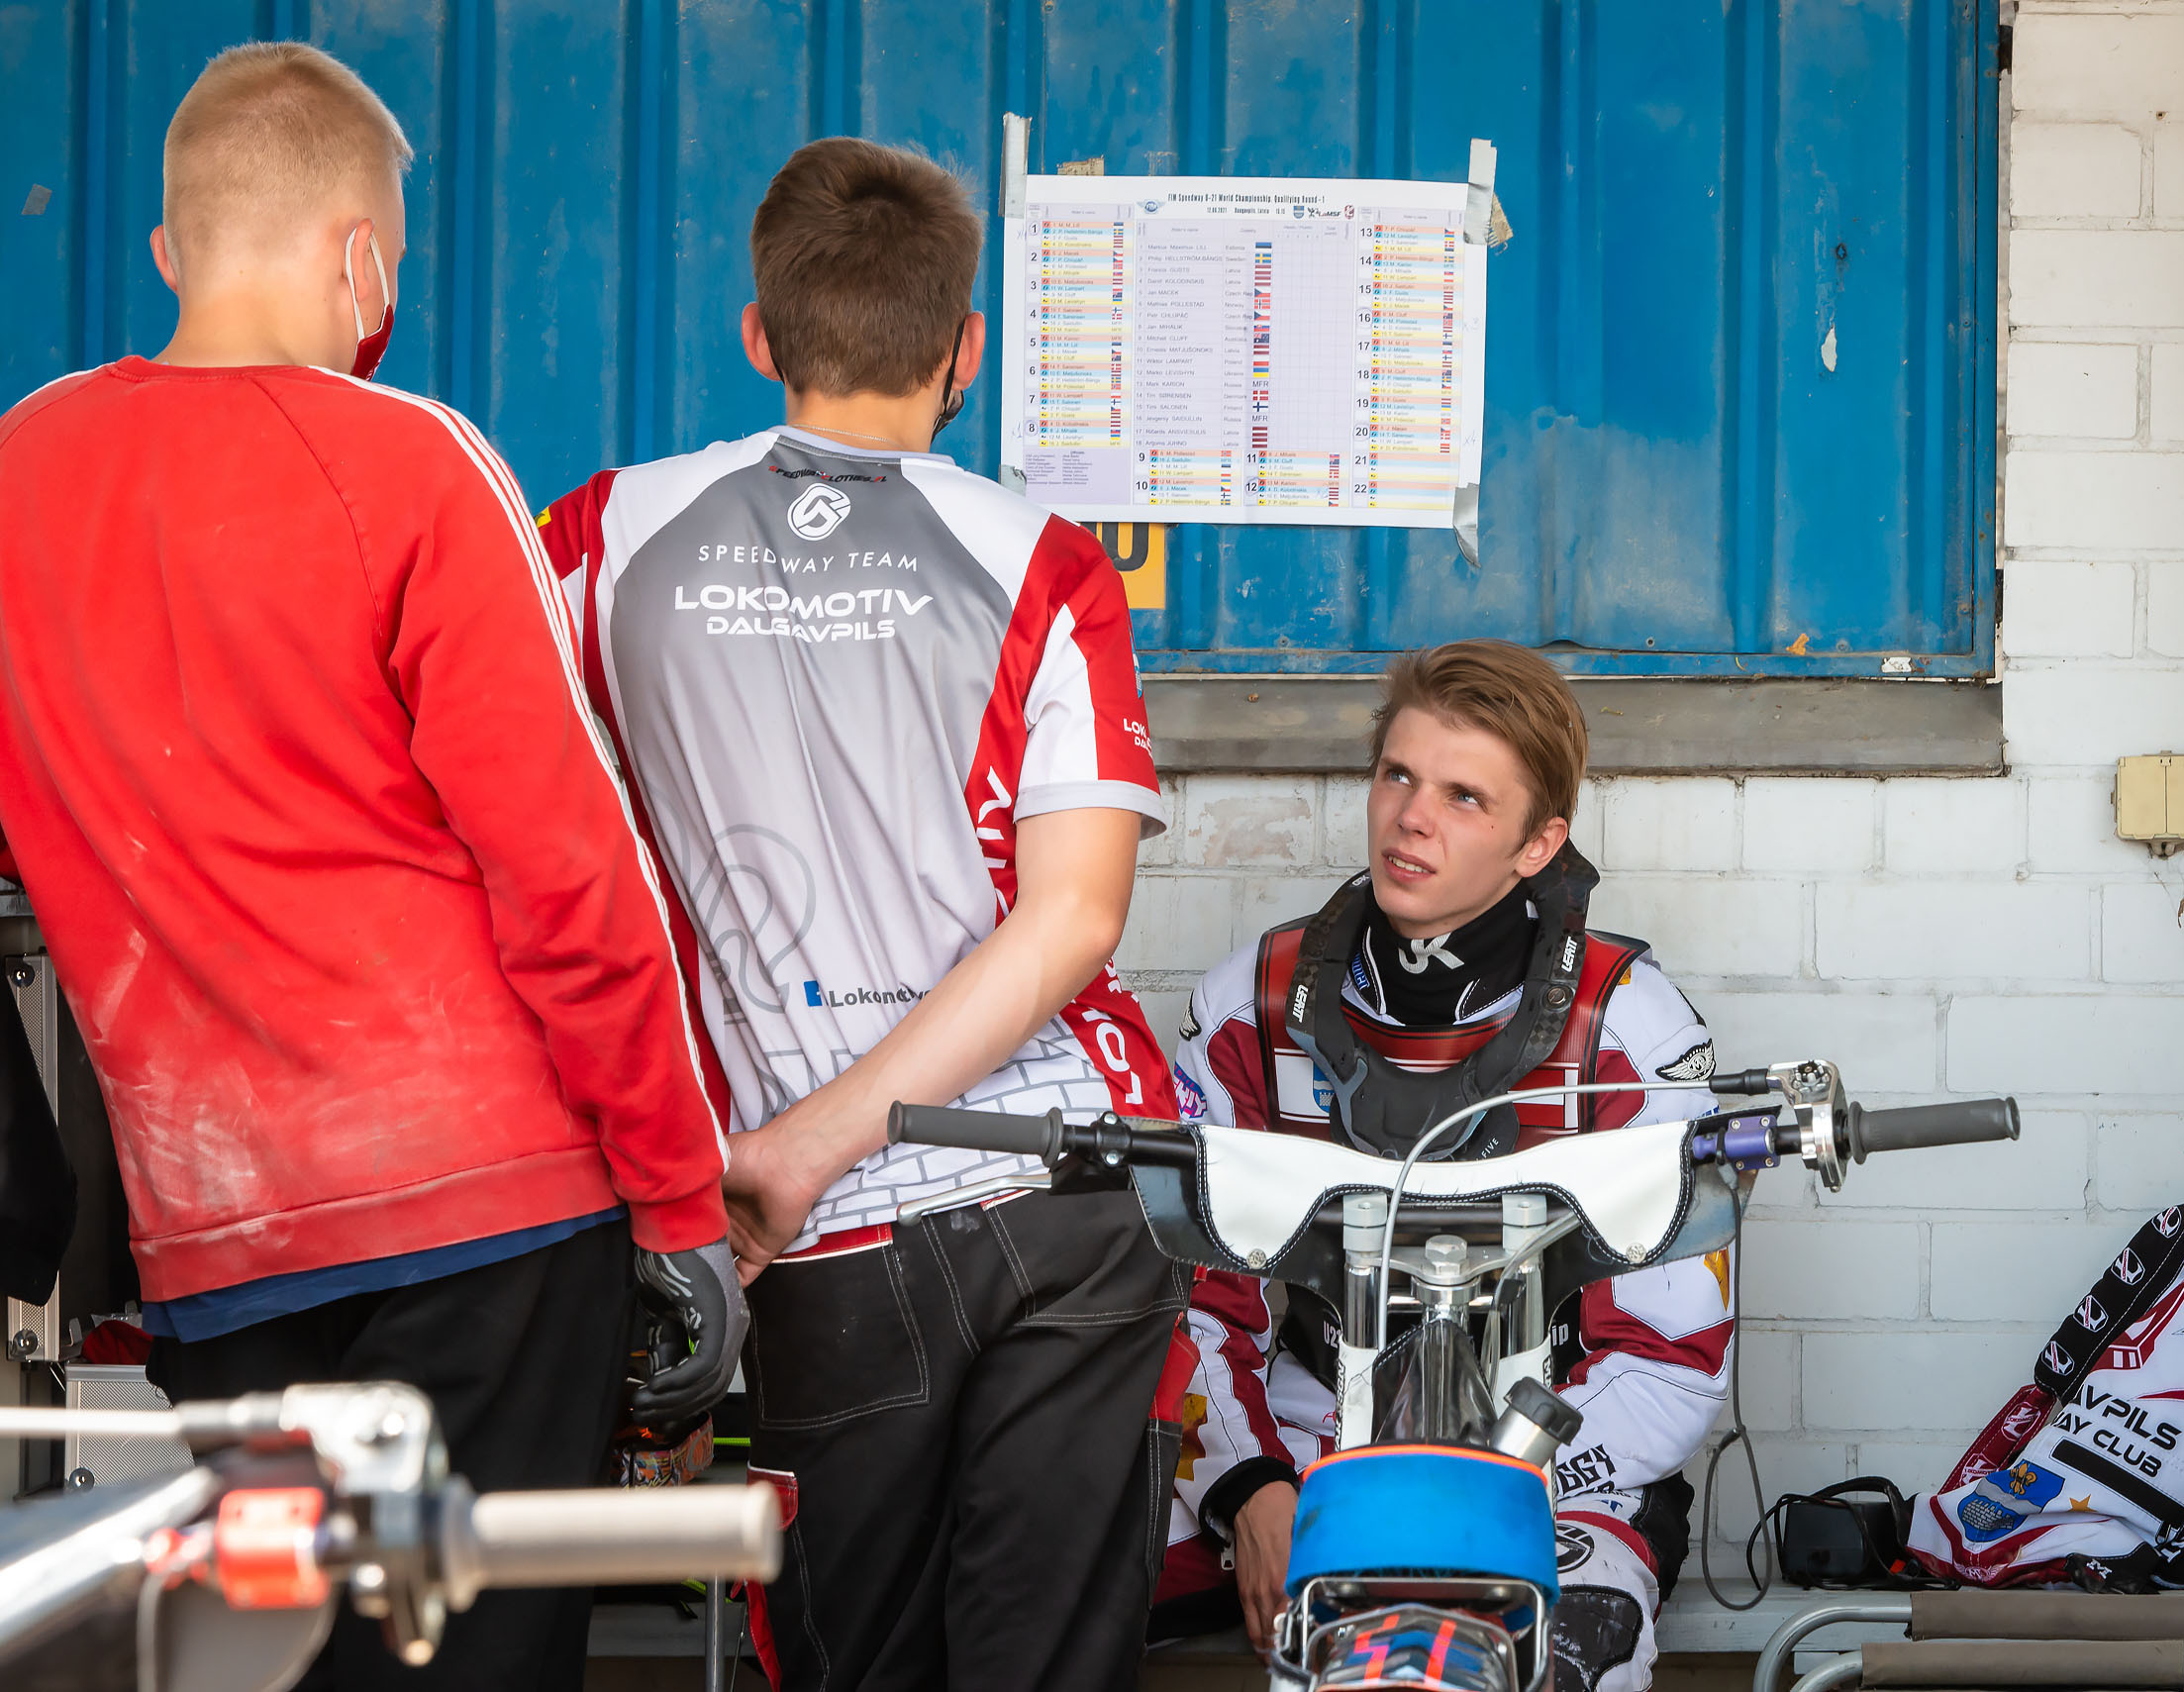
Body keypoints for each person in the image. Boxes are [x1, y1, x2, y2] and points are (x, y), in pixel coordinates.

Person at [0, 42, 744, 1687]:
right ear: (361, 262)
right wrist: (681, 1201)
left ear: (168, 255)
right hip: (486, 1214)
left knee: (282, 1659)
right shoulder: (411, 460)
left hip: (218, 1238)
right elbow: (572, 878)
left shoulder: (18, 471)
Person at [534, 137, 1183, 1689]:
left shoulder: (593, 540)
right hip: (1066, 1187)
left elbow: (528, 860)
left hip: (804, 1229)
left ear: (760, 338)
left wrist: (769, 1162)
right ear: (966, 350)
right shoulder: (1046, 563)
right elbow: (1073, 919)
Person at [1162, 640, 1735, 1692]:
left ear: (1536, 842)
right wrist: (1249, 1485)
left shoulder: (1625, 1024)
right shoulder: (1252, 1000)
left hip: (1557, 1462)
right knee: (1045, 1562)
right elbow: (1194, 1296)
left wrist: (1474, 1492)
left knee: (1557, 1653)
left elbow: (1670, 1357)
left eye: (1465, 796)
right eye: (1398, 775)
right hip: (1306, 1445)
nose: (1411, 817)